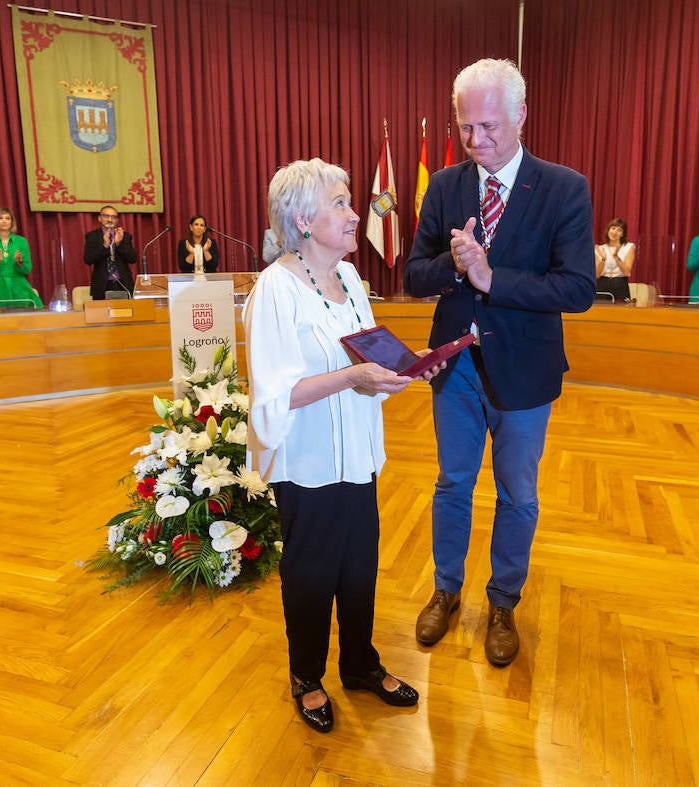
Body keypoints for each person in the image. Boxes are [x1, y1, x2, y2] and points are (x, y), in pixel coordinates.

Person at [403, 58, 596, 668]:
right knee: (452, 484)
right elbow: (413, 276)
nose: (476, 141)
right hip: (454, 366)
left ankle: (504, 601)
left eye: (489, 127)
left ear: (521, 117)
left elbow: (577, 290)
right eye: (466, 128)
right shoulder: (444, 186)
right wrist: (455, 268)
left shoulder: (564, 188)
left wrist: (492, 277)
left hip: (525, 370)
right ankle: (446, 590)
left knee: (517, 494)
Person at [245, 158, 427, 733]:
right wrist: (354, 379)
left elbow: (364, 353)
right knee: (311, 573)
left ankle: (358, 664)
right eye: (342, 204)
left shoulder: (349, 279)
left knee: (359, 567)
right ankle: (306, 676)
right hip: (308, 463)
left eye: (351, 201)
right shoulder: (273, 290)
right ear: (302, 219)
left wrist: (400, 369)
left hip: (357, 454)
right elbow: (275, 396)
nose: (358, 214)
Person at [0, 207, 42, 310]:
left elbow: (27, 269)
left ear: (12, 222)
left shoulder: (22, 241)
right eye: (0, 218)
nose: (4, 221)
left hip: (19, 287)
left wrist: (19, 262)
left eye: (8, 218)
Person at [82, 206, 137, 299]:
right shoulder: (92, 236)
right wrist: (104, 246)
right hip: (102, 285)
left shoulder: (125, 236)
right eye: (106, 216)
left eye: (113, 217)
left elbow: (132, 259)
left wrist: (119, 244)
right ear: (99, 218)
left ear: (117, 220)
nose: (110, 219)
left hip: (123, 284)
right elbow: (88, 259)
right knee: (101, 313)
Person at [595, 218, 635, 302]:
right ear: (608, 230)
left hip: (620, 284)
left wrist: (616, 256)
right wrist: (603, 259)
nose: (615, 232)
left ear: (622, 234)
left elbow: (626, 272)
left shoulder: (629, 247)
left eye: (619, 230)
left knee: (621, 313)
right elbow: (597, 274)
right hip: (603, 284)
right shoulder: (600, 248)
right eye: (613, 228)